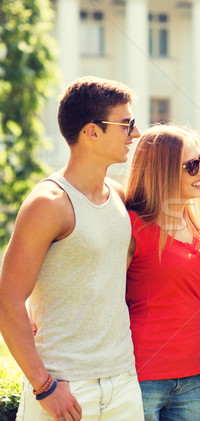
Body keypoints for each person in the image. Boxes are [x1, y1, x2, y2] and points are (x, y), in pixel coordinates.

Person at [0, 76, 144, 420]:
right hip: (64, 386)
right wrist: (44, 386)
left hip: (123, 381)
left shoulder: (118, 197)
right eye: (126, 125)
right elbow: (7, 299)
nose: (134, 134)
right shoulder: (48, 203)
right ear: (91, 132)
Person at [125, 124, 200, 420]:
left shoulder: (197, 228)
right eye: (192, 165)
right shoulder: (131, 226)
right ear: (162, 171)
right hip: (141, 376)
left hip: (193, 375)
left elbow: (194, 297)